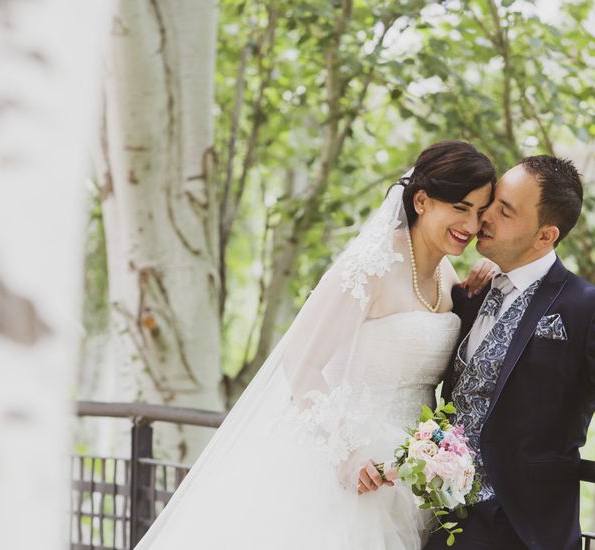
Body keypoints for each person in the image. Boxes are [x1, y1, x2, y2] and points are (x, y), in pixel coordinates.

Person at [134, 141, 498, 549]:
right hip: (346, 462)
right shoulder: (368, 267)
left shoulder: (451, 278)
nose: (471, 224)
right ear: (422, 201)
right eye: (461, 208)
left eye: (481, 213)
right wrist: (345, 456)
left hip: (408, 471)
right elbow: (302, 362)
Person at [409, 155, 595, 550]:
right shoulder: (470, 293)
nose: (484, 216)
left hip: (523, 529)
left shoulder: (588, 308)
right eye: (493, 202)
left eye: (504, 211)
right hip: (442, 520)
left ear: (545, 236)